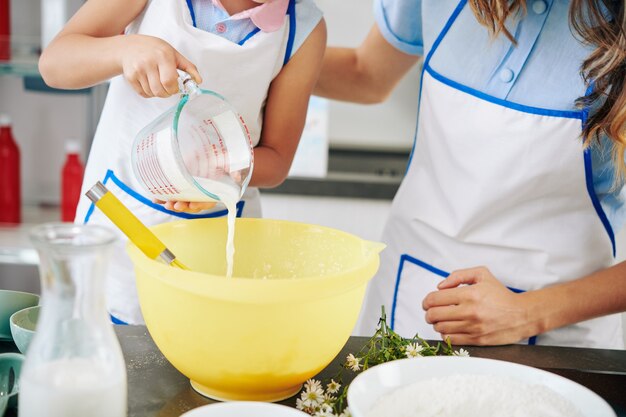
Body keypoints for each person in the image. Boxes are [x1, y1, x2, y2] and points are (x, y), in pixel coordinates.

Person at [315, 0, 626, 348]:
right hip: (410, 289)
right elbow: (366, 73)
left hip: (556, 330)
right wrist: (260, 54)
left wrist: (528, 312)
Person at [39, 0, 326, 324]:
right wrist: (125, 50)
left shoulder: (303, 30)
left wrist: (218, 176)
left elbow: (277, 159)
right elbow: (54, 63)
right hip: (121, 228)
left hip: (218, 244)